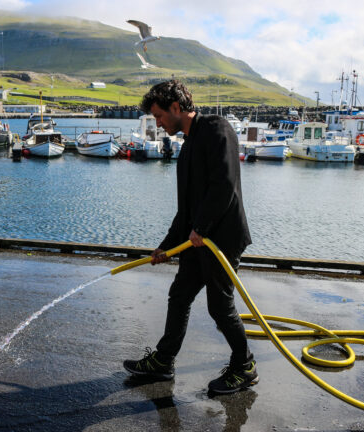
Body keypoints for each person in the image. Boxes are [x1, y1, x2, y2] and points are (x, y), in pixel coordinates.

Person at [123, 80, 257, 395]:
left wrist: (202, 228)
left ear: (176, 107)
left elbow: (224, 185)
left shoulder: (216, 129)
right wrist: (166, 247)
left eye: (158, 116)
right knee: (180, 294)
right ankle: (163, 362)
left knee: (220, 307)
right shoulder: (186, 149)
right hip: (199, 239)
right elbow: (185, 212)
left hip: (221, 239)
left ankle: (244, 366)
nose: (157, 123)